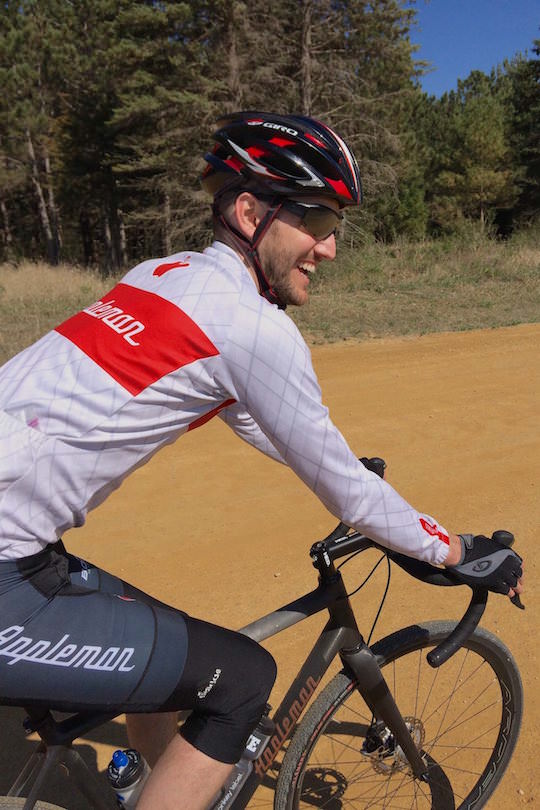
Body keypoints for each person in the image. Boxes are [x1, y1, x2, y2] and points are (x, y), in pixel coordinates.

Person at [0, 111, 523, 809]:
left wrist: (345, 475)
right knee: (241, 682)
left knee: (162, 649)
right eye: (314, 219)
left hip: (25, 549)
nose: (330, 247)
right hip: (9, 570)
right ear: (249, 211)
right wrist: (456, 550)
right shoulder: (251, 327)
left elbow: (256, 417)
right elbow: (345, 491)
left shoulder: (163, 274)